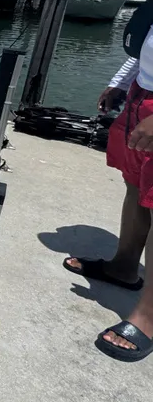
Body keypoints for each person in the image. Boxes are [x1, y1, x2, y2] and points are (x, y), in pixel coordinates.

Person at [64, 47, 153, 362]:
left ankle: (149, 317)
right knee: (136, 186)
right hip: (143, 93)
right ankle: (124, 266)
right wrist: (121, 81)